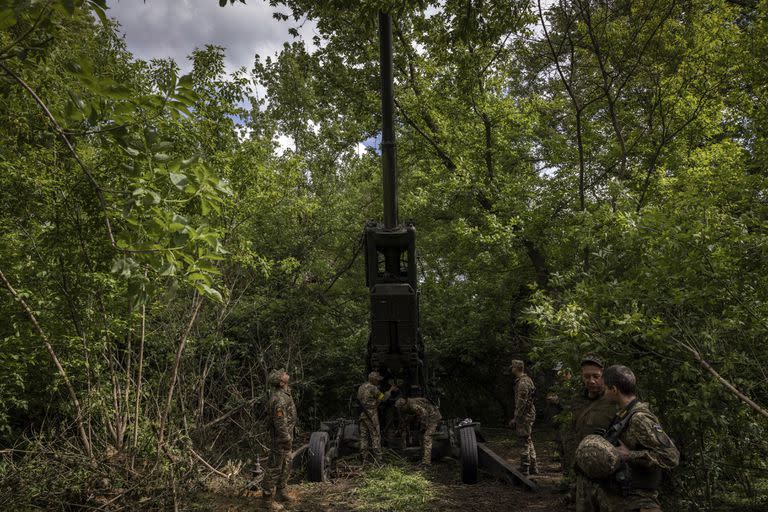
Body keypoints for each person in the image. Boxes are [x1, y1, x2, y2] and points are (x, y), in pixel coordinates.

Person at [595, 365, 680, 512]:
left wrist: (629, 455)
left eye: (605, 388)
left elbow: (671, 457)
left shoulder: (639, 419)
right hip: (623, 500)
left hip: (640, 502)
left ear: (614, 390)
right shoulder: (623, 415)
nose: (603, 392)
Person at [566, 355, 620, 512]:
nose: (591, 381)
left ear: (604, 376)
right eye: (587, 376)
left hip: (608, 479)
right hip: (582, 475)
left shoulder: (614, 401)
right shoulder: (577, 401)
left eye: (596, 376)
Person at [261, 368, 297, 510]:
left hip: (287, 437)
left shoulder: (285, 394)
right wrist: (286, 437)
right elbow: (279, 421)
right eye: (283, 374)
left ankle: (281, 492)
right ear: (281, 382)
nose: (285, 373)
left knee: (286, 463)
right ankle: (267, 501)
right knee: (274, 467)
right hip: (281, 439)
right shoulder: (279, 398)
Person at [357, 371, 397, 463]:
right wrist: (390, 390)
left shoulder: (361, 387)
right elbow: (383, 398)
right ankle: (378, 460)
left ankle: (365, 459)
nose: (378, 381)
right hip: (371, 415)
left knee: (364, 437)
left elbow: (360, 399)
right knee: (375, 436)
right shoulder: (373, 388)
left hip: (362, 414)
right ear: (374, 380)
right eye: (377, 380)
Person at [394, 396, 442, 466]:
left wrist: (423, 426)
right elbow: (409, 418)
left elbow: (424, 413)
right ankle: (423, 458)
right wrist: (401, 428)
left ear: (403, 405)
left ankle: (426, 462)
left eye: (401, 408)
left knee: (427, 437)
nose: (401, 410)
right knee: (421, 437)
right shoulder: (409, 406)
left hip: (433, 417)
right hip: (429, 417)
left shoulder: (412, 405)